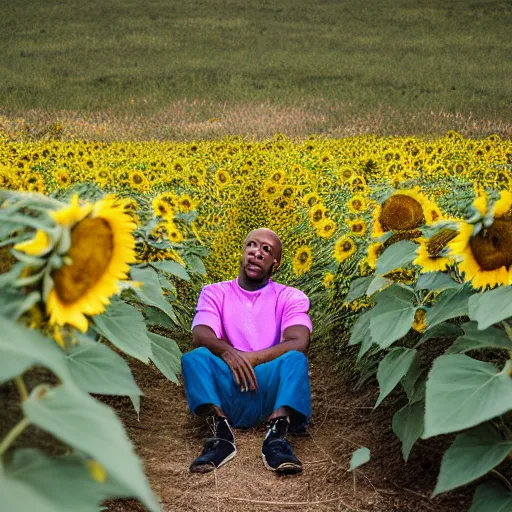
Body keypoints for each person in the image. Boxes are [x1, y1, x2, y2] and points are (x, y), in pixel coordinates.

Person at [181, 228, 312, 475]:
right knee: (194, 358)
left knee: (295, 359)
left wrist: (251, 358)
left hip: (269, 390)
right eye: (252, 245)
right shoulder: (214, 292)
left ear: (275, 264)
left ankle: (276, 437)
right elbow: (201, 333)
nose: (257, 253)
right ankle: (220, 434)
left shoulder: (290, 296)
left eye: (267, 250)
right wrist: (229, 353)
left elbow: (299, 340)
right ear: (243, 253)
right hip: (229, 386)